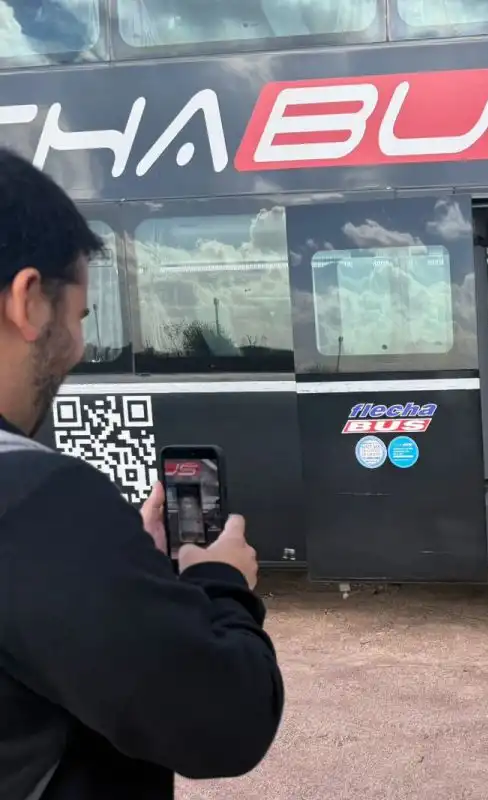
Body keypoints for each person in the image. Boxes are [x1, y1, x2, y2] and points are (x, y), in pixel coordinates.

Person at [0, 148, 285, 798]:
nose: (77, 348)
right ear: (28, 301)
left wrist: (117, 567)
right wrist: (220, 582)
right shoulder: (37, 500)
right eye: (79, 318)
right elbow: (226, 721)